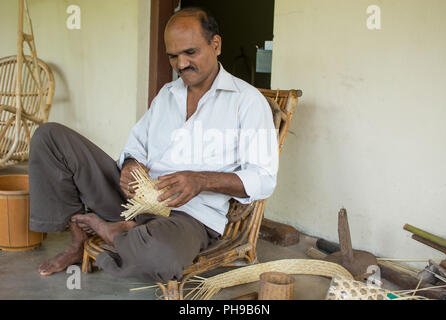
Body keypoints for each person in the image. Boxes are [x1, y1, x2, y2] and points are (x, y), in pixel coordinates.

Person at [29, 7, 278, 283]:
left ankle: (117, 233)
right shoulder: (166, 95)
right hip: (133, 201)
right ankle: (80, 242)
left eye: (190, 53)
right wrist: (131, 166)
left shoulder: (247, 101)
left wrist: (200, 181)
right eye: (173, 56)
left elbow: (263, 178)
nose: (181, 64)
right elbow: (135, 147)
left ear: (215, 44)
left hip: (187, 218)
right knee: (49, 137)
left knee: (162, 255)